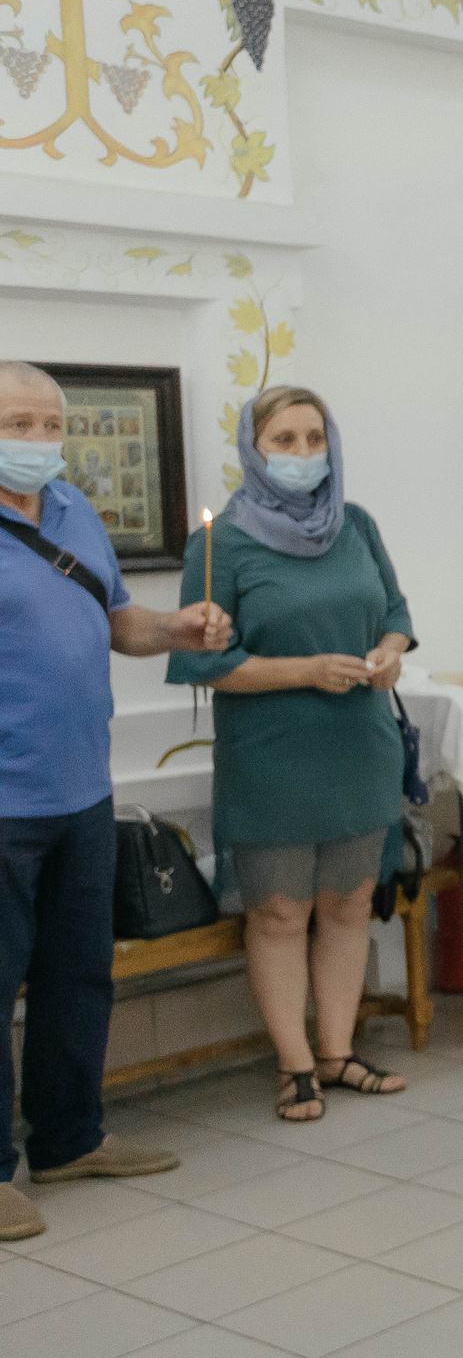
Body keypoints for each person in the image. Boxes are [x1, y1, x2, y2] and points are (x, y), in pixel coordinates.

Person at [0, 359, 230, 1241]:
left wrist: (175, 627)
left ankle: (69, 1138)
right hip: (6, 801)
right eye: (16, 424)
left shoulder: (72, 510)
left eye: (48, 425)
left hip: (84, 791)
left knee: (77, 972)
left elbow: (116, 619)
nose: (37, 440)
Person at [167, 387, 415, 1123]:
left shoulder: (356, 525)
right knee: (278, 913)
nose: (303, 453)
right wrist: (305, 670)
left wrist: (389, 652)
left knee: (347, 905)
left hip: (358, 746)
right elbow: (205, 664)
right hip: (272, 757)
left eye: (314, 438)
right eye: (284, 439)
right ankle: (295, 1064)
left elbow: (395, 614)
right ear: (254, 449)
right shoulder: (220, 544)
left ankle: (337, 1052)